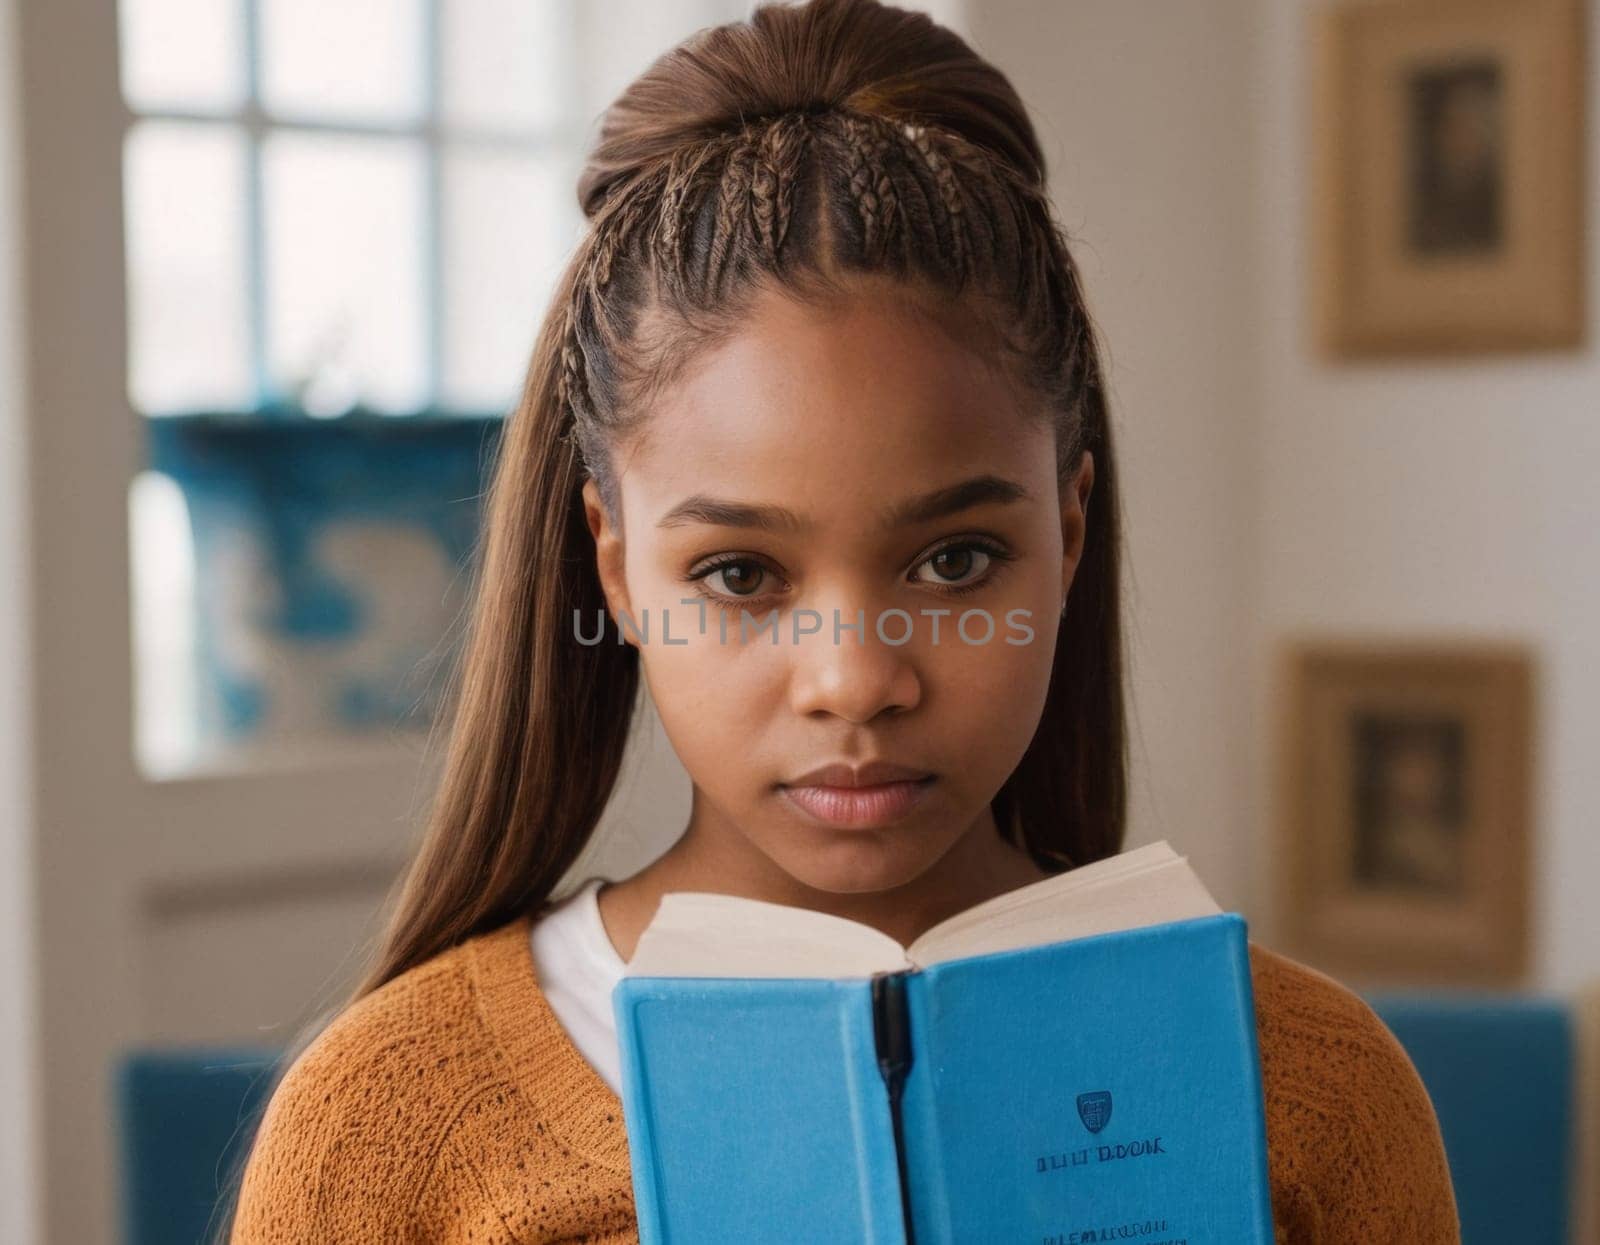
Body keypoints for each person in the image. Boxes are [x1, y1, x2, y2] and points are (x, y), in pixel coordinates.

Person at [222, 0, 1460, 1239]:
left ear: (1067, 531)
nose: (856, 681)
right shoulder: (386, 1127)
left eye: (957, 559)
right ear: (612, 561)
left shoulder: (1318, 1100)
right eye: (741, 576)